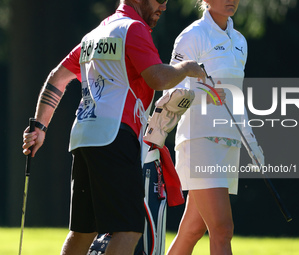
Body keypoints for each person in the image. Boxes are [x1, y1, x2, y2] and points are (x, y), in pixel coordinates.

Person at [22, 0, 205, 254]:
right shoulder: (134, 28)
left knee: (83, 231)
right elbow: (158, 78)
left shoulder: (94, 35)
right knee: (128, 230)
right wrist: (186, 68)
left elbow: (58, 77)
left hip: (84, 136)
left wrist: (40, 126)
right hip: (115, 136)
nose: (164, 5)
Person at [166, 0, 265, 254]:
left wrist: (252, 143)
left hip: (229, 142)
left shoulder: (240, 41)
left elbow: (236, 98)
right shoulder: (192, 36)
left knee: (192, 230)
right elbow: (175, 90)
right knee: (222, 229)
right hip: (199, 140)